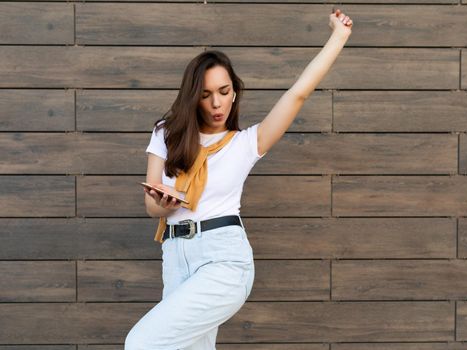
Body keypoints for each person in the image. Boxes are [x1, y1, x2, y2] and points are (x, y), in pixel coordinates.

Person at [125, 8, 352, 350]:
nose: (217, 102)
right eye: (206, 94)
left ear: (235, 92)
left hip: (223, 259)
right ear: (193, 97)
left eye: (224, 91)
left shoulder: (247, 143)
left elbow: (298, 94)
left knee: (142, 343)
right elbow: (150, 206)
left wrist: (338, 37)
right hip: (174, 256)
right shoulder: (166, 133)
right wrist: (163, 202)